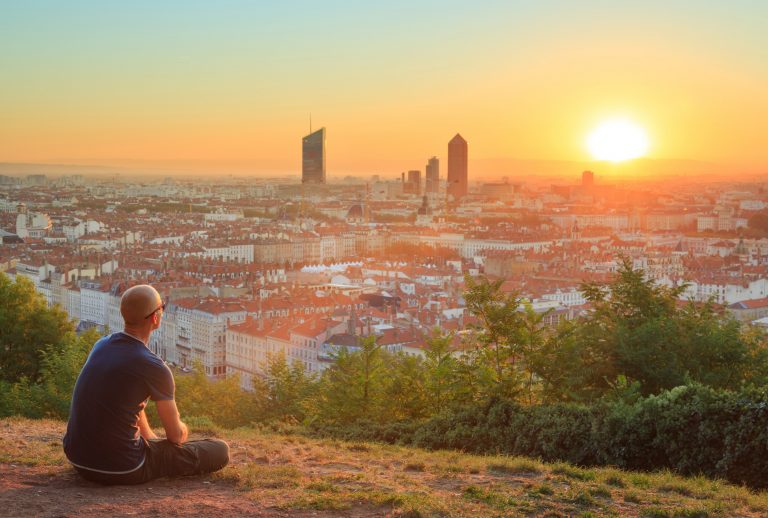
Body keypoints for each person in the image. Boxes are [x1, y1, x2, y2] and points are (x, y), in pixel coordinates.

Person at [63, 284, 229, 485]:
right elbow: (176, 436)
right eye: (162, 308)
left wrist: (150, 438)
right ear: (155, 318)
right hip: (124, 467)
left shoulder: (101, 345)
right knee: (219, 449)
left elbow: (128, 401)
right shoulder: (154, 366)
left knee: (155, 442)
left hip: (78, 459)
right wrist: (182, 430)